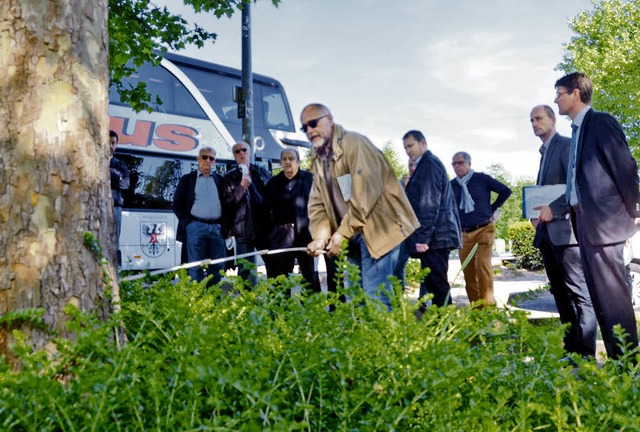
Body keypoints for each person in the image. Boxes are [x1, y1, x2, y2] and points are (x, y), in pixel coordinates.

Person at [301, 103, 420, 310]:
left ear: (329, 120)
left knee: (376, 297)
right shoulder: (318, 159)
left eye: (313, 123)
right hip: (354, 233)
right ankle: (370, 340)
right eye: (305, 128)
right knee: (358, 299)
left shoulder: (354, 143)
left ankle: (385, 341)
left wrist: (341, 234)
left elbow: (364, 194)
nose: (309, 130)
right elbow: (317, 204)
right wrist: (320, 237)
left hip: (380, 227)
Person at [555, 72, 640, 360]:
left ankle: (629, 364)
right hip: (585, 225)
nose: (556, 99)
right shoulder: (577, 133)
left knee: (614, 301)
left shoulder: (600, 122)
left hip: (606, 226)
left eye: (560, 93)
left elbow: (625, 167)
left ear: (576, 93)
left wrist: (634, 210)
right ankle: (618, 362)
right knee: (601, 300)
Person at [529, 105, 597, 357]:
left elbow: (576, 182)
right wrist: (535, 215)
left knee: (579, 294)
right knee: (559, 294)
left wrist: (553, 209)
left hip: (567, 234)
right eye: (531, 120)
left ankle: (586, 354)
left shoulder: (566, 145)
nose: (534, 123)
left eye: (539, 118)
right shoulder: (543, 153)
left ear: (553, 120)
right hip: (547, 235)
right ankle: (571, 350)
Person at [398, 130, 461, 307]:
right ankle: (441, 323)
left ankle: (446, 325)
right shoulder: (425, 165)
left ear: (422, 143)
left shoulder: (428, 165)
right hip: (437, 235)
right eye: (405, 148)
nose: (408, 151)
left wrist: (423, 237)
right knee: (434, 283)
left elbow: (428, 203)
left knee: (437, 283)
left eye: (410, 145)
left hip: (436, 237)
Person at [450, 152, 511, 307]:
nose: (457, 166)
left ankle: (488, 309)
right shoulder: (452, 185)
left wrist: (492, 209)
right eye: (454, 164)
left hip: (484, 229)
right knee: (469, 273)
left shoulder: (481, 179)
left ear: (469, 164)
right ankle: (477, 310)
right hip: (464, 233)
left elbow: (505, 191)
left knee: (482, 266)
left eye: (460, 162)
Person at [264, 149, 320, 293]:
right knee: (281, 277)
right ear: (281, 162)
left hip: (306, 235)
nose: (288, 162)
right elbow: (266, 211)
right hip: (281, 238)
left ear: (298, 162)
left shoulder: (310, 180)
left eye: (291, 158)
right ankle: (282, 312)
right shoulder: (273, 183)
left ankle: (312, 310)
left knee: (309, 276)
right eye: (284, 159)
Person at [172, 146, 226, 285]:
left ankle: (213, 298)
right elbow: (177, 204)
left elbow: (227, 203)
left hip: (217, 228)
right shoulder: (188, 179)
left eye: (211, 158)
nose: (207, 160)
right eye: (204, 157)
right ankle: (196, 299)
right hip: (195, 227)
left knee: (217, 266)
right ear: (198, 159)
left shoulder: (220, 180)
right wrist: (188, 223)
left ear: (214, 161)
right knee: (195, 266)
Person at [222, 141, 271, 286]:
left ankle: (275, 300)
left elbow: (272, 196)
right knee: (244, 268)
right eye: (237, 151)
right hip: (242, 229)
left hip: (264, 228)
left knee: (273, 265)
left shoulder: (262, 172)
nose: (242, 153)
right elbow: (227, 204)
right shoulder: (229, 177)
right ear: (234, 156)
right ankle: (247, 302)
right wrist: (241, 188)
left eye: (244, 150)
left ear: (249, 153)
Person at [109, 130, 130, 258]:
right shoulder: (95, 162)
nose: (110, 146)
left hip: (115, 208)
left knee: (114, 244)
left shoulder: (120, 165)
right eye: (108, 143)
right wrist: (117, 177)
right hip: (98, 207)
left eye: (113, 143)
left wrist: (109, 173)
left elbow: (125, 185)